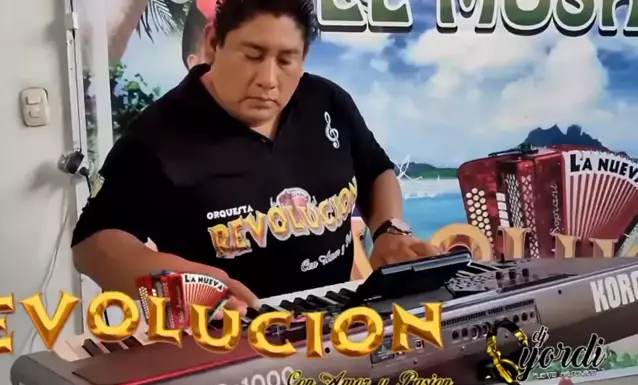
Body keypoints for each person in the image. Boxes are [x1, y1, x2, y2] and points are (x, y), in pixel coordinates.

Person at [71, 0, 441, 312]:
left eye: (286, 60)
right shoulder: (159, 135)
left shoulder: (327, 102)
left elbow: (376, 170)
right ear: (213, 42)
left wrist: (389, 229)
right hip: (223, 338)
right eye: (252, 56)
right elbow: (93, 244)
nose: (268, 79)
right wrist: (173, 283)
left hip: (333, 322)